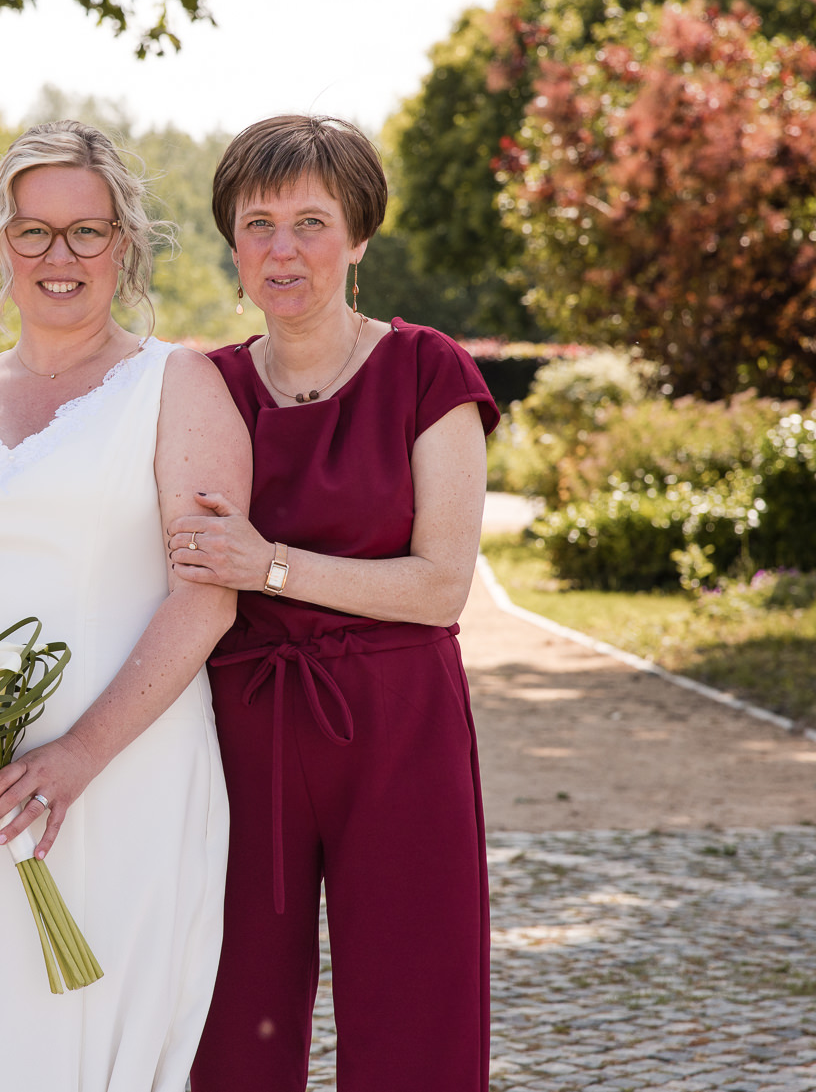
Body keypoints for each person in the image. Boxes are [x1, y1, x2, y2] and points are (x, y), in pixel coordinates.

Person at [0, 120, 250, 1088]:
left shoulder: (179, 385)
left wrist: (75, 757)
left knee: (98, 1035)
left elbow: (208, 601)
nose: (58, 256)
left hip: (128, 778)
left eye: (87, 231)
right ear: (0, 241)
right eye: (33, 231)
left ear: (126, 242)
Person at [169, 114, 499, 1090]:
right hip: (242, 728)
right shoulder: (206, 385)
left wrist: (270, 564)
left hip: (400, 723)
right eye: (257, 221)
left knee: (416, 1001)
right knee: (235, 1015)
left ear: (358, 238)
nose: (282, 248)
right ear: (232, 240)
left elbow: (443, 583)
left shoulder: (426, 369)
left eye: (312, 222)